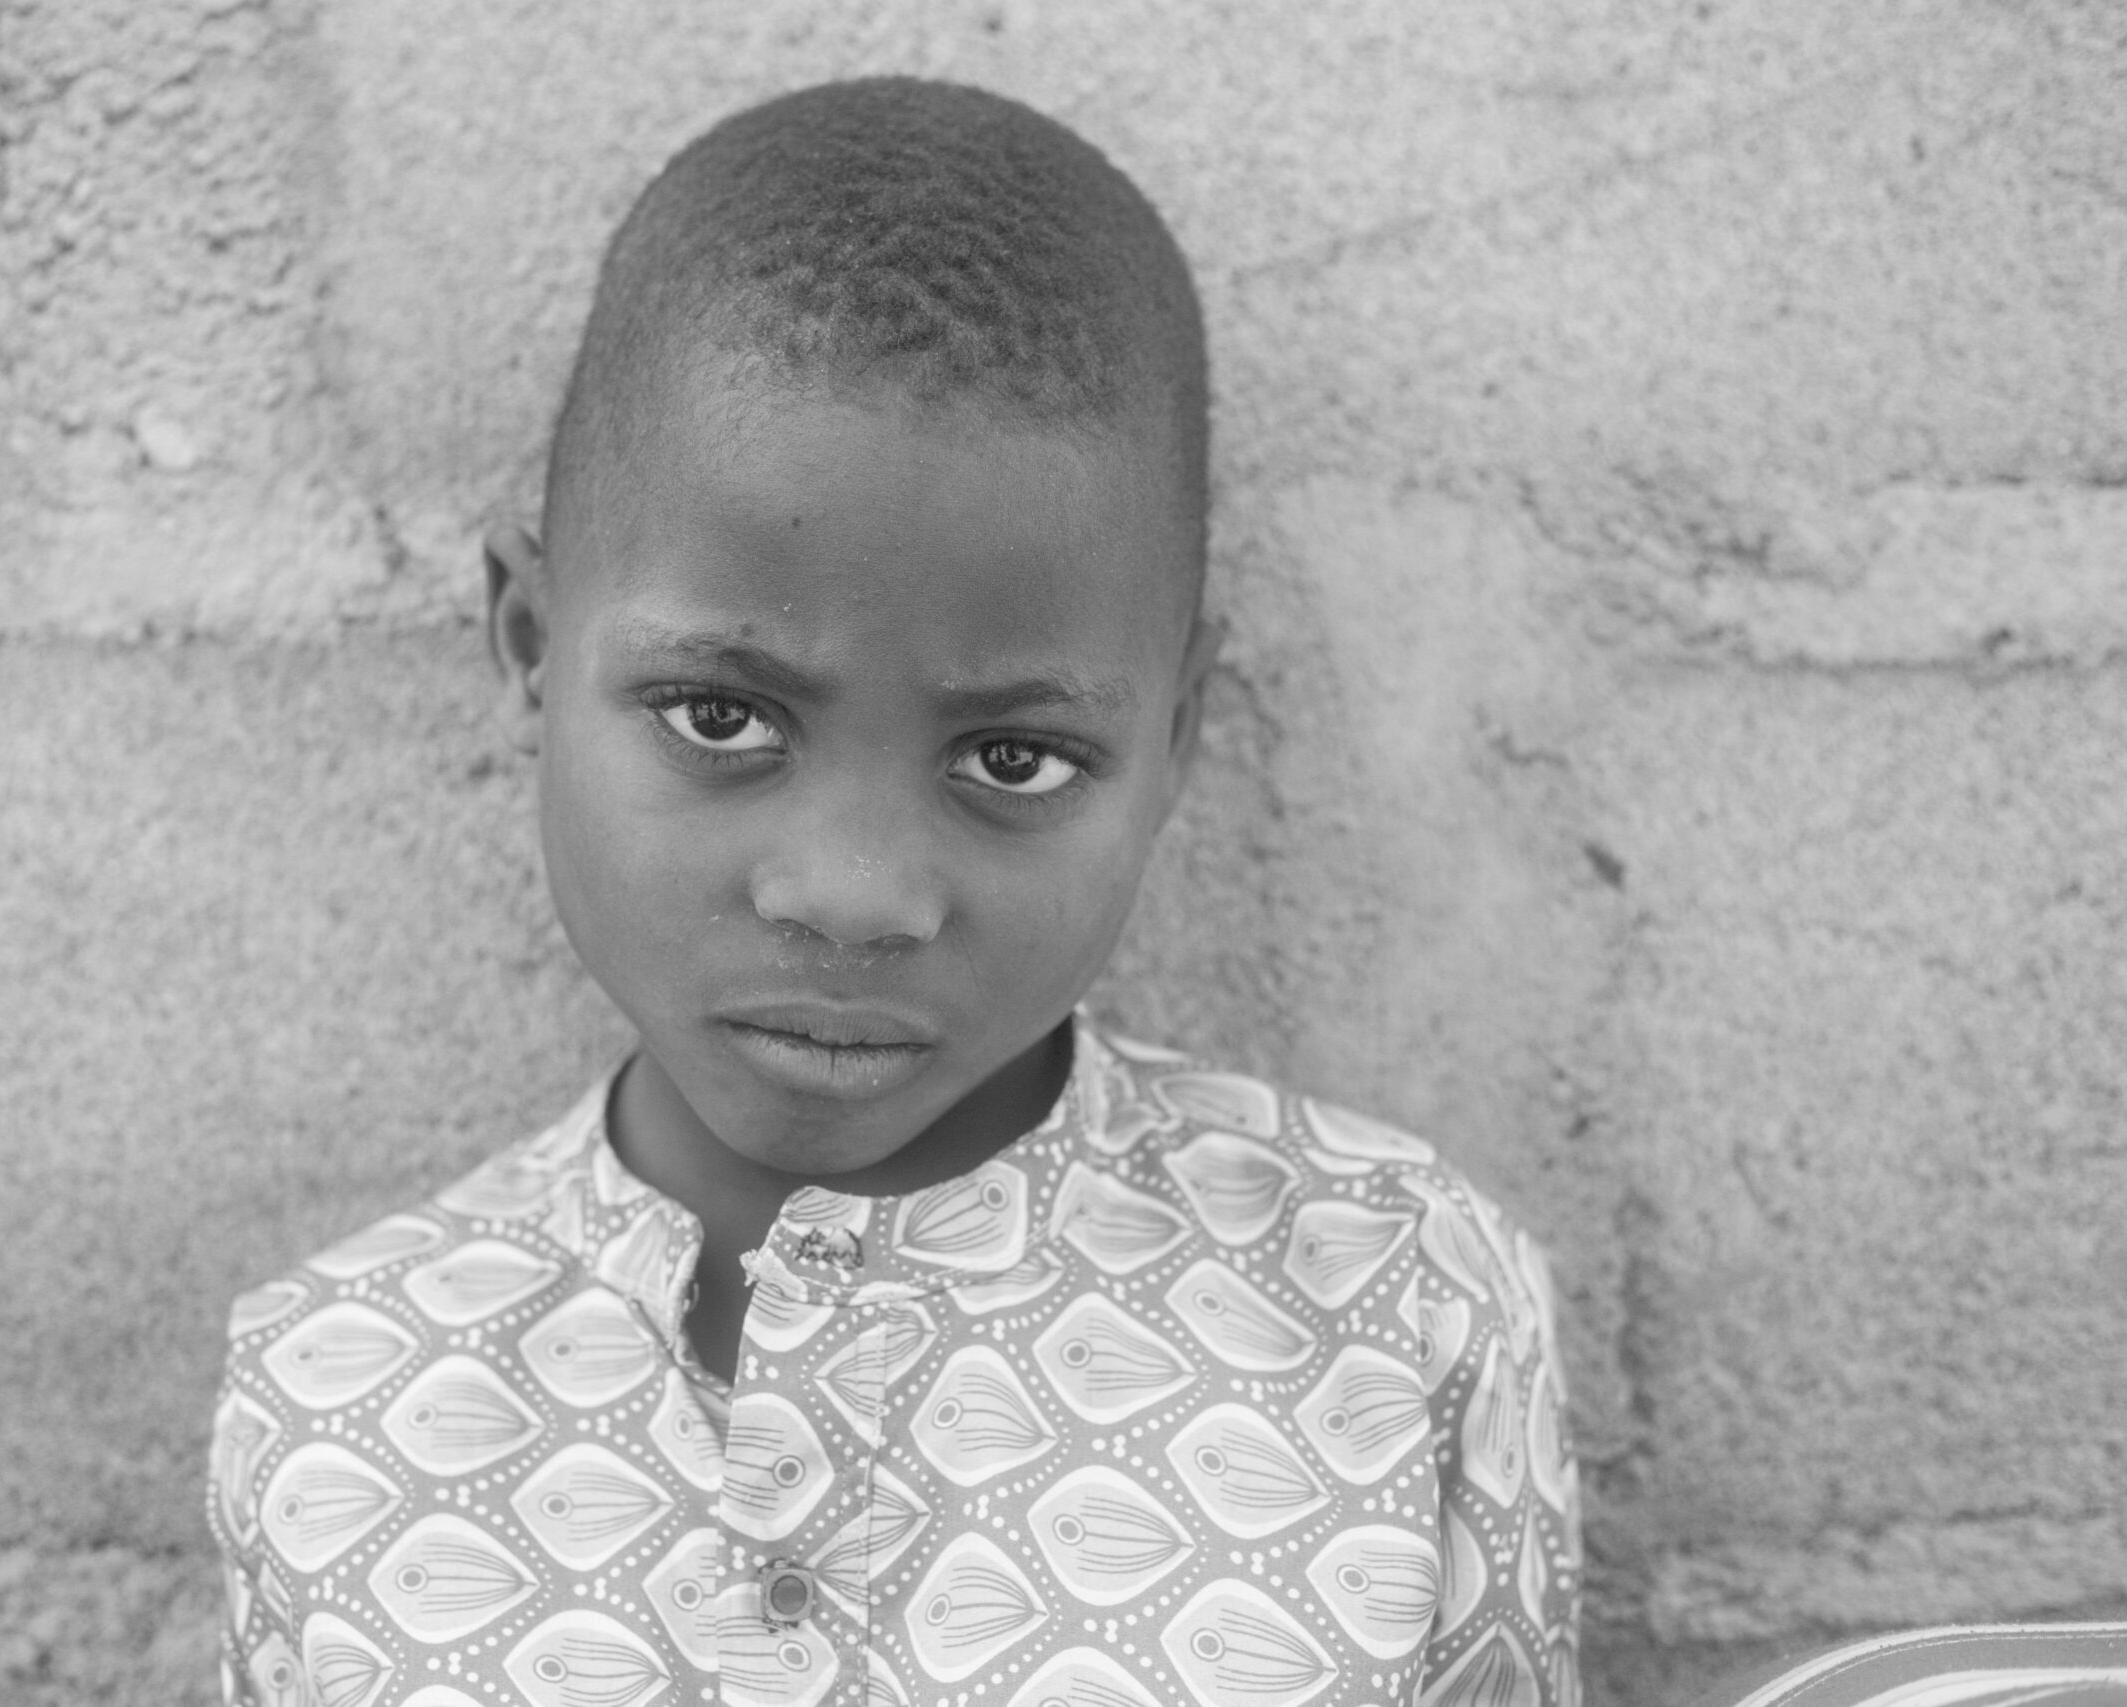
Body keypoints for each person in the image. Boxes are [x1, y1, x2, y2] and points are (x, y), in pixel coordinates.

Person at [206, 75, 1581, 1707]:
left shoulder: (1397, 1305)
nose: (856, 898)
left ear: (1180, 735)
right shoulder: (336, 1388)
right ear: (527, 640)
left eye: (1015, 762)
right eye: (722, 718)